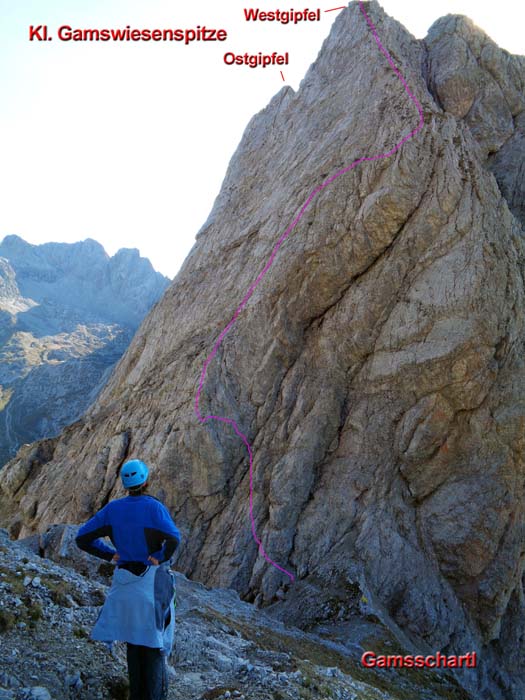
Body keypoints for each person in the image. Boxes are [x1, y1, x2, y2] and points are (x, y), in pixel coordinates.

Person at [75, 459, 182, 700]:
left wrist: (109, 554)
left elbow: (82, 538)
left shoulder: (113, 509)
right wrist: (159, 556)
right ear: (145, 481)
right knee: (154, 646)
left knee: (134, 643)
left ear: (125, 483)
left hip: (124, 585)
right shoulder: (154, 508)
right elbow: (174, 539)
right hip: (151, 584)